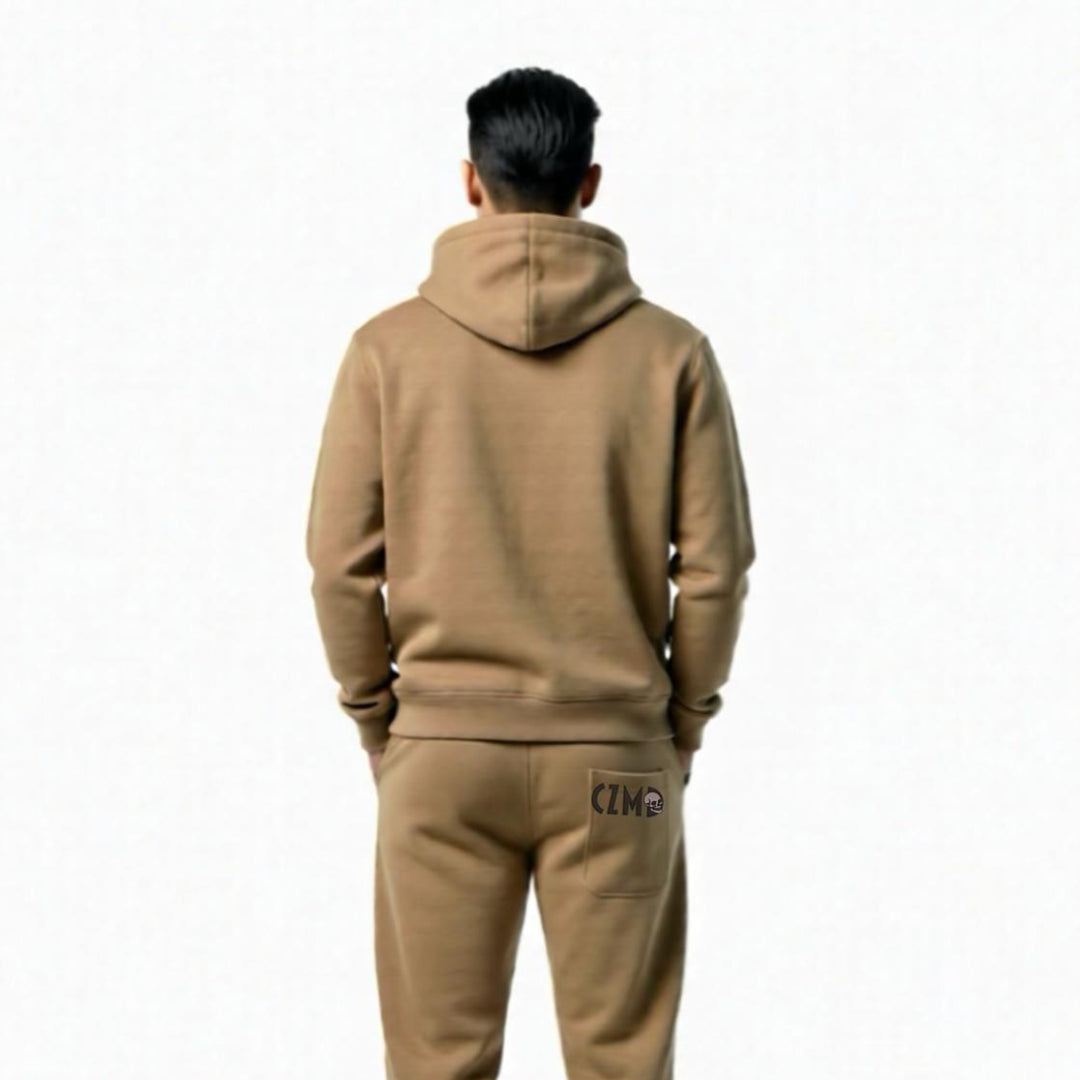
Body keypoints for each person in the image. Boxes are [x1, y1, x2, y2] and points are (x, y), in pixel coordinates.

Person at [305, 65, 756, 1080]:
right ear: (589, 183)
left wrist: (379, 720)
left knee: (437, 1062)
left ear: (471, 179)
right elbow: (718, 570)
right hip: (618, 765)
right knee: (623, 1061)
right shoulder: (674, 355)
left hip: (441, 760)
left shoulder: (385, 352)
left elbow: (339, 567)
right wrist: (681, 725)